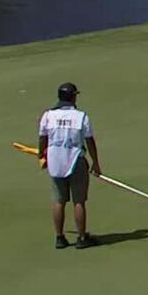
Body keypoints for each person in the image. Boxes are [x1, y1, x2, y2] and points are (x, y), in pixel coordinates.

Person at [38, 82, 103, 249]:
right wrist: (95, 163)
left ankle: (59, 237)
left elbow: (43, 138)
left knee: (58, 201)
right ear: (73, 97)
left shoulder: (48, 115)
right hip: (76, 160)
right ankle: (81, 238)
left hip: (55, 161)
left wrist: (41, 154)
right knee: (78, 201)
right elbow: (89, 141)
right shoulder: (81, 116)